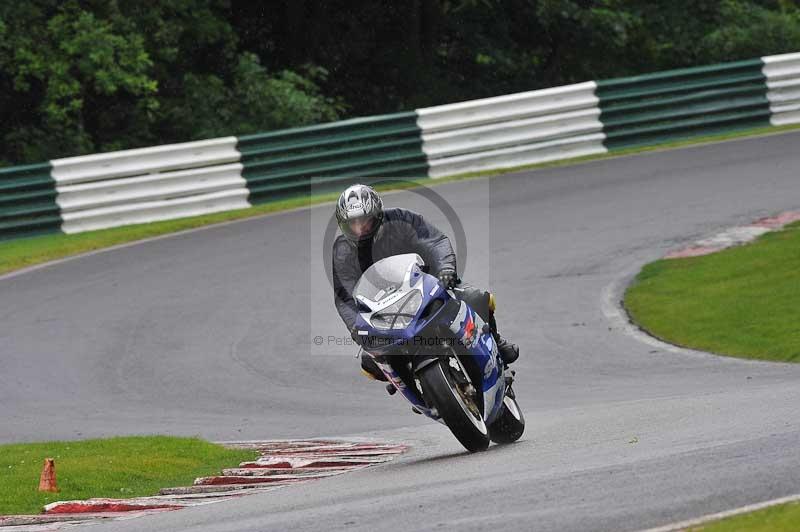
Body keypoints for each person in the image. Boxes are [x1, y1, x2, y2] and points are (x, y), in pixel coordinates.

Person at [331, 183, 519, 382]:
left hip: (428, 286)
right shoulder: (342, 251)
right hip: (386, 312)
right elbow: (345, 297)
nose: (360, 228)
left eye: (365, 221)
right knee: (370, 363)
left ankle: (496, 343)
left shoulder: (402, 220)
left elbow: (434, 242)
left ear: (377, 215)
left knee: (477, 298)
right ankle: (419, 385)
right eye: (353, 223)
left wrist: (446, 269)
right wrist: (355, 326)